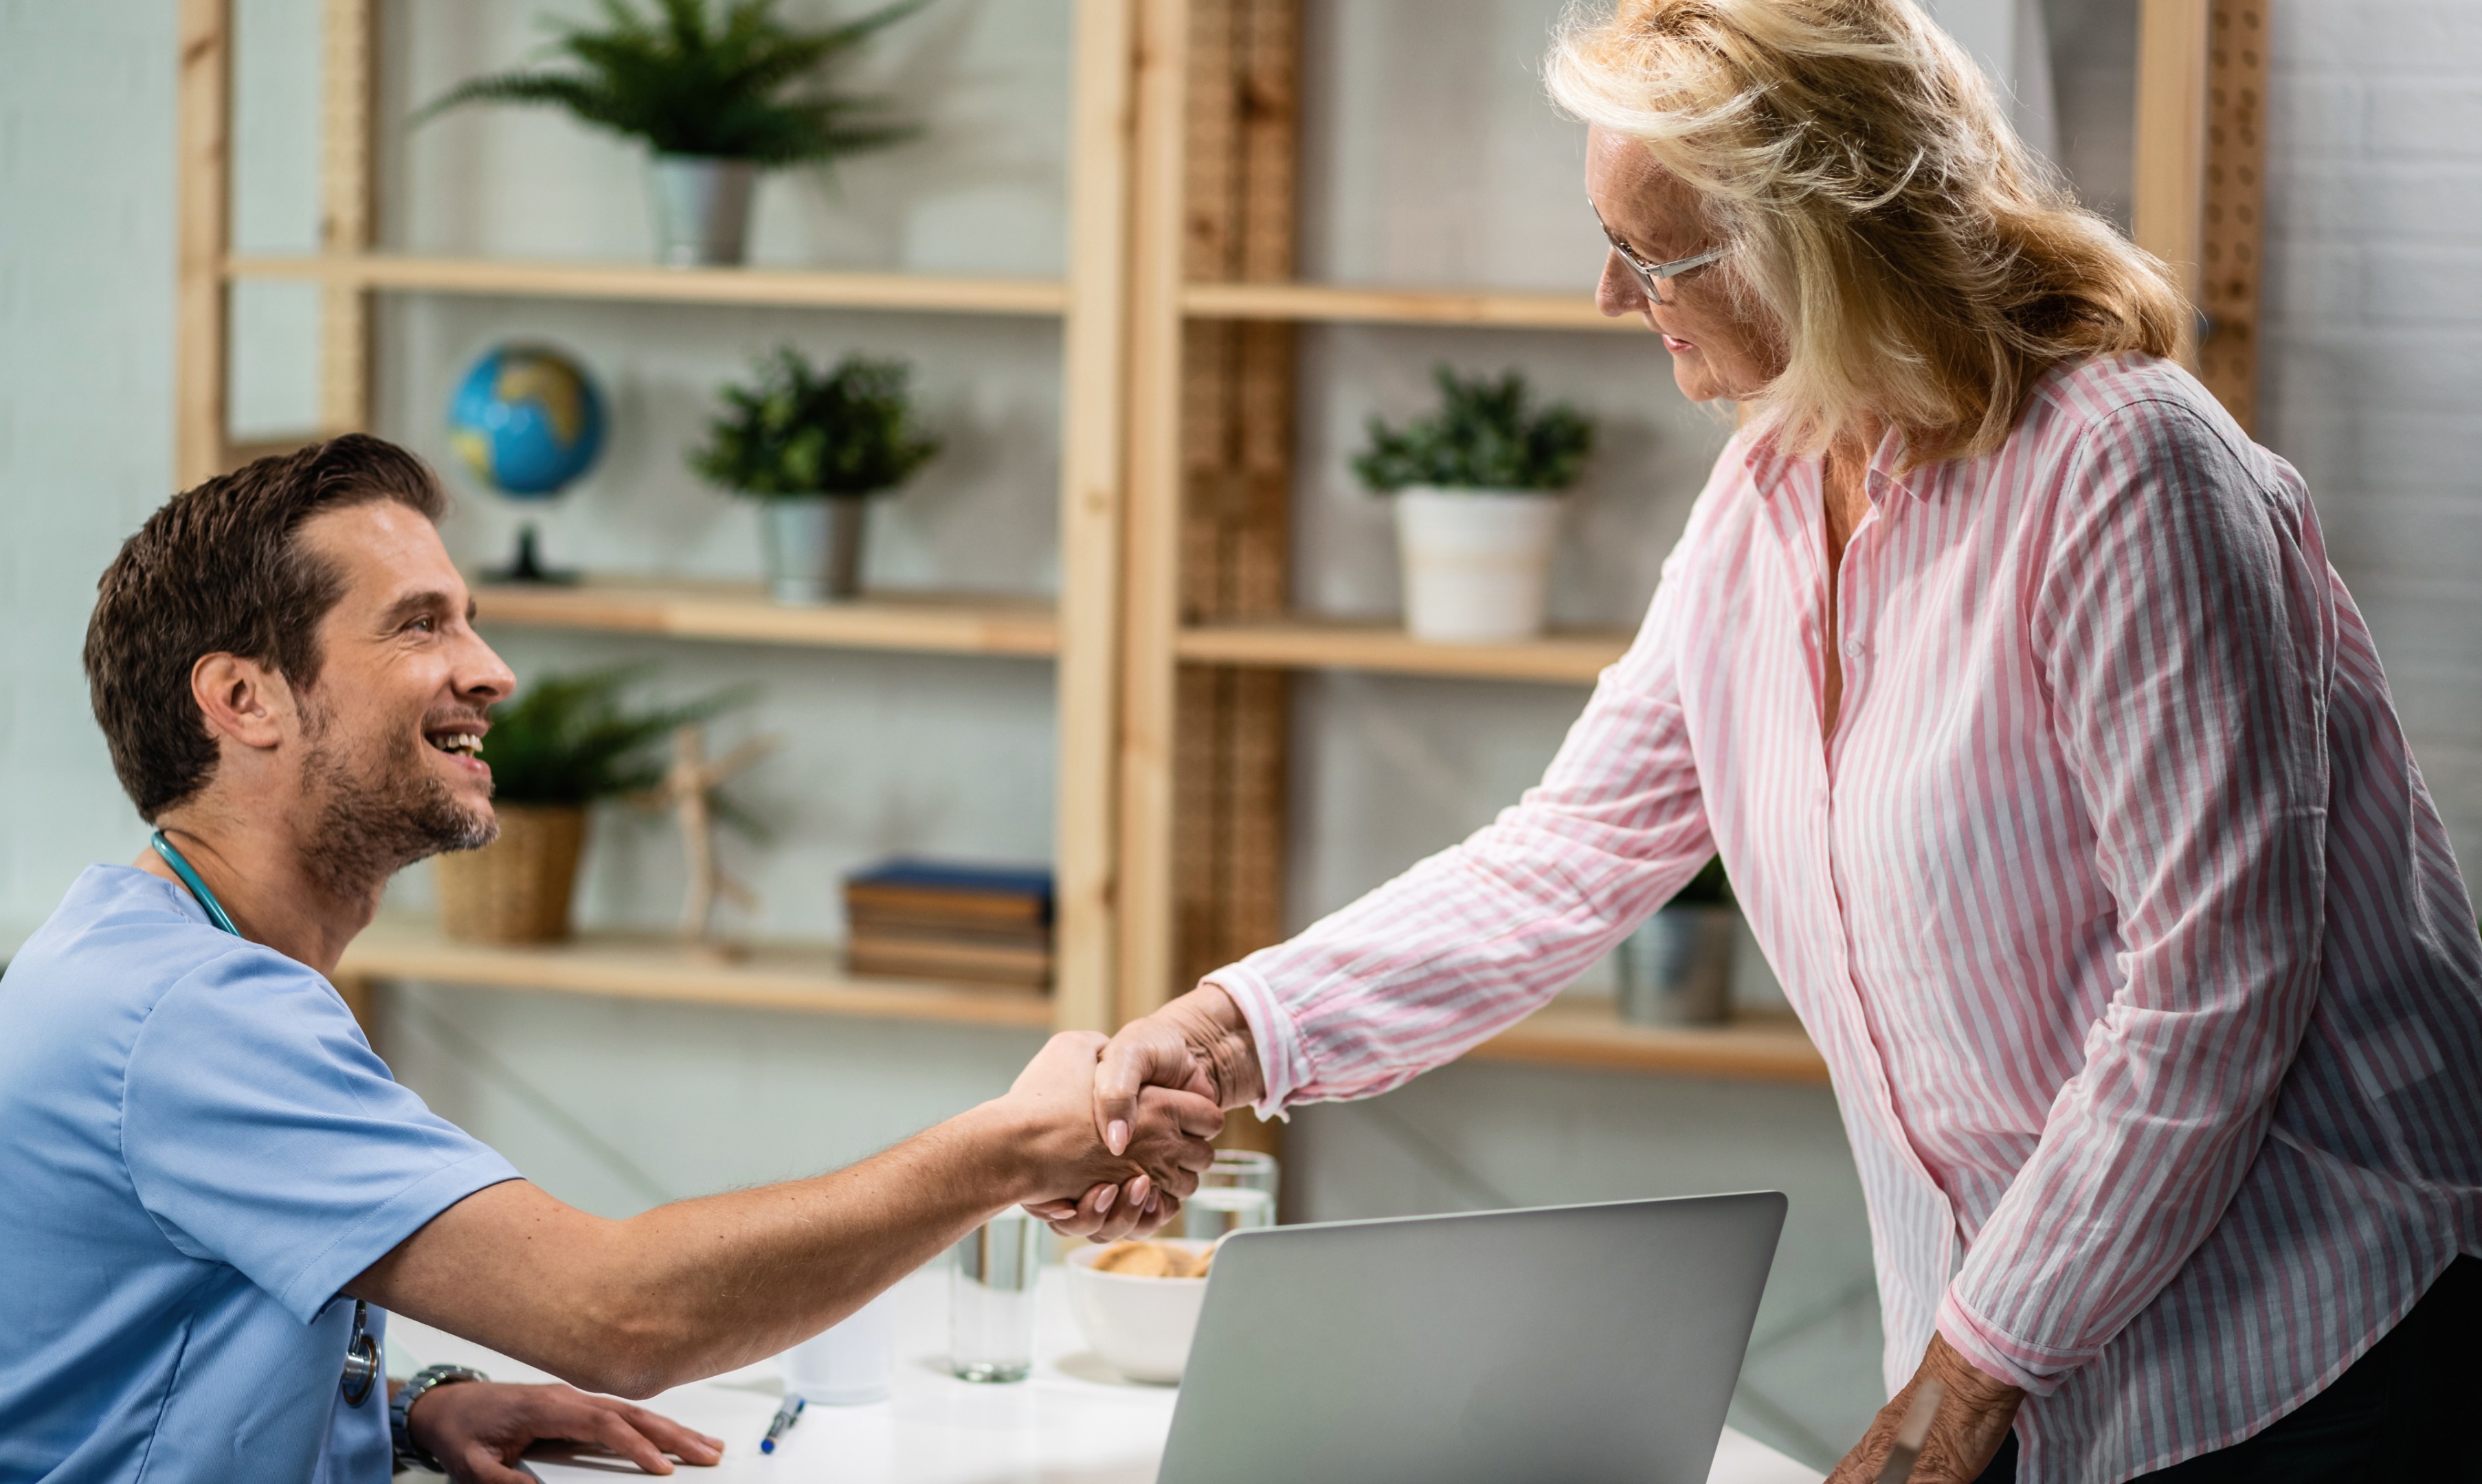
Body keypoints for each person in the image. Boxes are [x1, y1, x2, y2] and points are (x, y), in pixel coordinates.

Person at [1053, 2, 2482, 1482]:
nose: (1613, 293)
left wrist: (1974, 1366)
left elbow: (2213, 991)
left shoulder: (2126, 468)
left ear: (1817, 240)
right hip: (2024, 1358)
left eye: (1655, 250)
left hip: (2315, 1347)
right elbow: (1568, 855)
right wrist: (1226, 1035)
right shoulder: (1771, 493)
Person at [0, 436, 1212, 1484]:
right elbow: (622, 1318)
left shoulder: (159, 952)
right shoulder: (186, 1011)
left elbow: (148, 1358)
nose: (493, 671)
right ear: (245, 701)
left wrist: (404, 1409)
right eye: (421, 626)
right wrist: (1004, 1150)